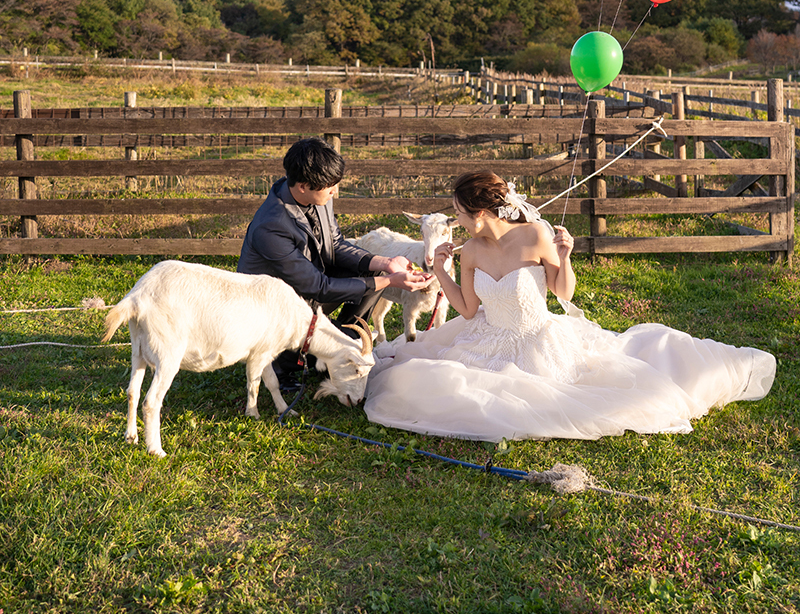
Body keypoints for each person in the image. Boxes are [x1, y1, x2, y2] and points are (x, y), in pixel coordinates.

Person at [364, 171, 776, 441]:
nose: (456, 219)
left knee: (556, 396)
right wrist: (442, 269)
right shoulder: (470, 250)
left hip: (538, 338)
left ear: (481, 212)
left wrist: (567, 255)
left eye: (459, 212)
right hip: (484, 339)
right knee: (411, 382)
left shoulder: (537, 235)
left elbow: (565, 291)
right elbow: (468, 310)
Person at [238, 137, 430, 385]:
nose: (335, 192)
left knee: (371, 280)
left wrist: (385, 263)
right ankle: (284, 365)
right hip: (274, 308)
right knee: (374, 283)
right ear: (304, 186)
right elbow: (316, 286)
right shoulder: (272, 226)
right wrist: (389, 280)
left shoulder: (316, 197)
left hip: (308, 286)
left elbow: (336, 244)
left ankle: (341, 349)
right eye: (330, 186)